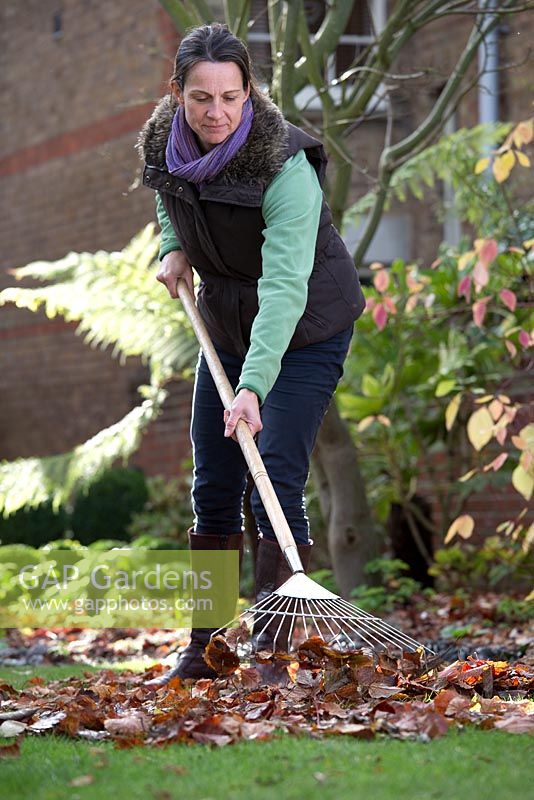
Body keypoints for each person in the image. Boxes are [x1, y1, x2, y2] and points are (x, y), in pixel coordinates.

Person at [137, 23, 365, 685]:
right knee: (213, 486)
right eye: (201, 97)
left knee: (273, 478)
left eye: (230, 97)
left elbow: (287, 287)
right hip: (228, 325)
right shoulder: (165, 142)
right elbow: (167, 196)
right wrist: (170, 248)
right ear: (178, 93)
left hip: (305, 328)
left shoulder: (283, 164)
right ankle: (204, 650)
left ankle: (273, 649)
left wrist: (252, 387)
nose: (216, 112)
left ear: (248, 94)